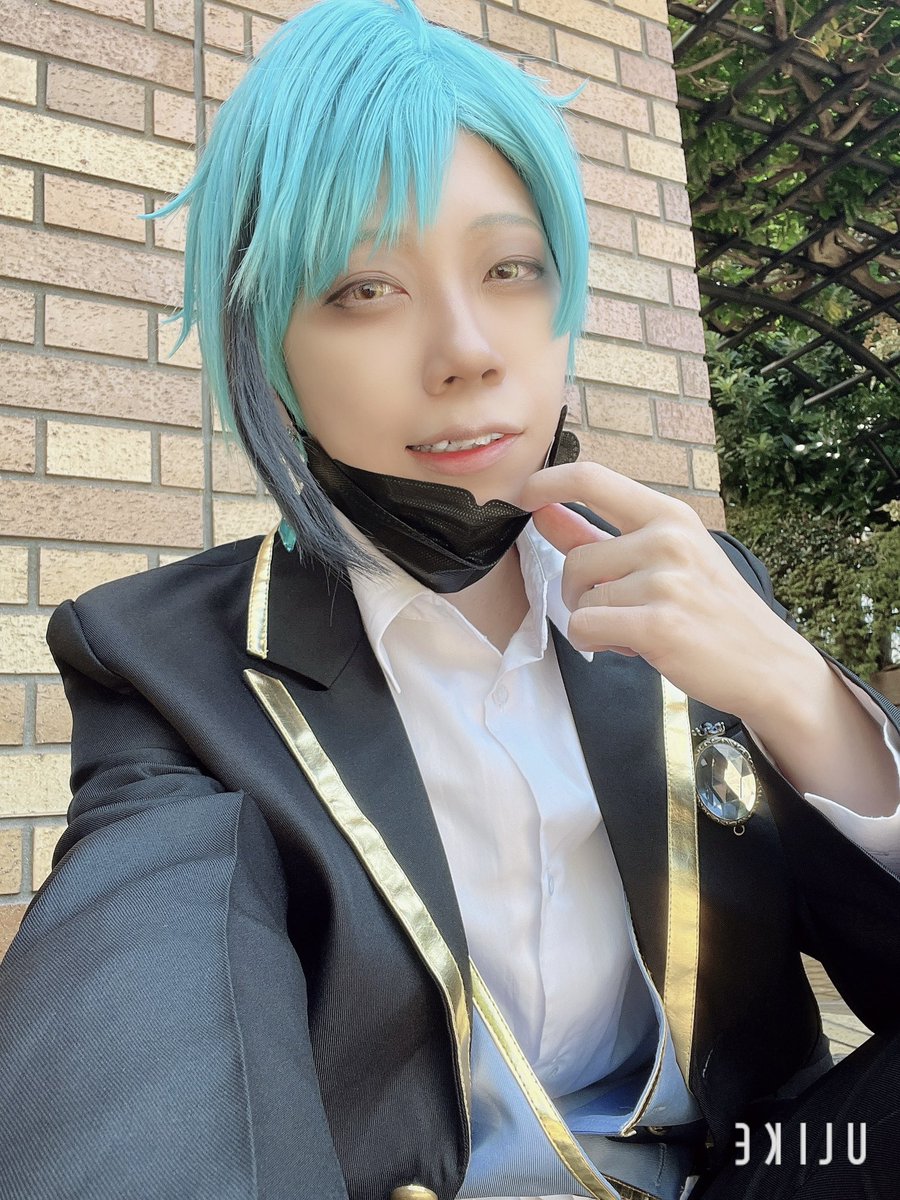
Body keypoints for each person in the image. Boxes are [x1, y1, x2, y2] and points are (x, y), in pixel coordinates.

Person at [1, 1, 898, 1198]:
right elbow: (140, 1022)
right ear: (270, 353)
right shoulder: (168, 662)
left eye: (511, 269)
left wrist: (804, 699)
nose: (468, 349)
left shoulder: (700, 589)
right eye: (365, 289)